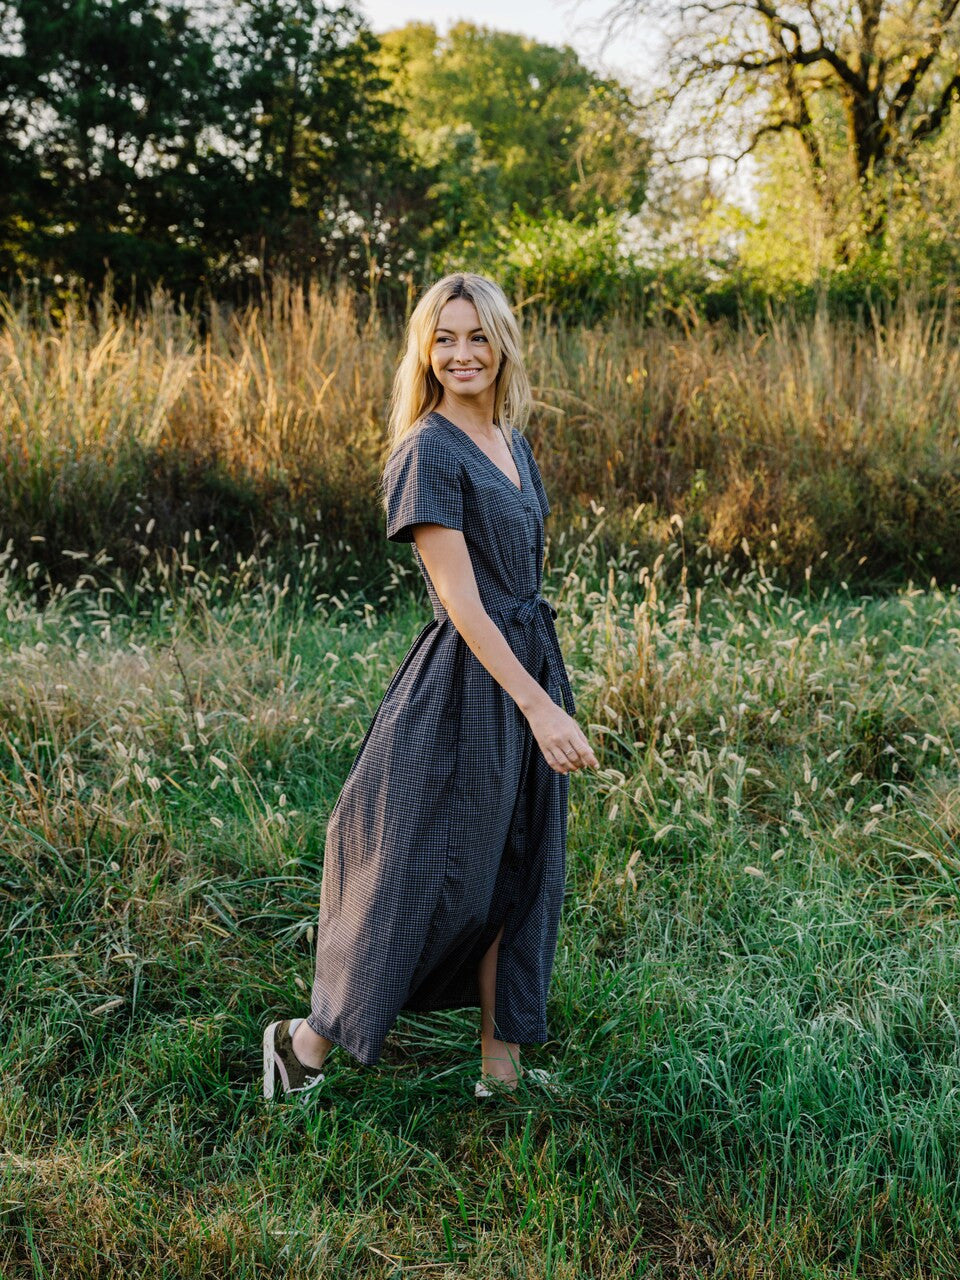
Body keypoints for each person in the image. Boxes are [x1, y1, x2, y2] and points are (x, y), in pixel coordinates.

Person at [262, 272, 597, 1102]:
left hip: (528, 663)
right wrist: (538, 703)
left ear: (503, 344)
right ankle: (303, 1045)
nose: (461, 354)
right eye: (444, 338)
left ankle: (500, 1067)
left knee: (522, 867)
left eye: (477, 336)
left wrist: (545, 687)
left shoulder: (513, 443)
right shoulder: (425, 450)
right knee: (419, 870)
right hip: (466, 687)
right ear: (424, 350)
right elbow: (459, 599)